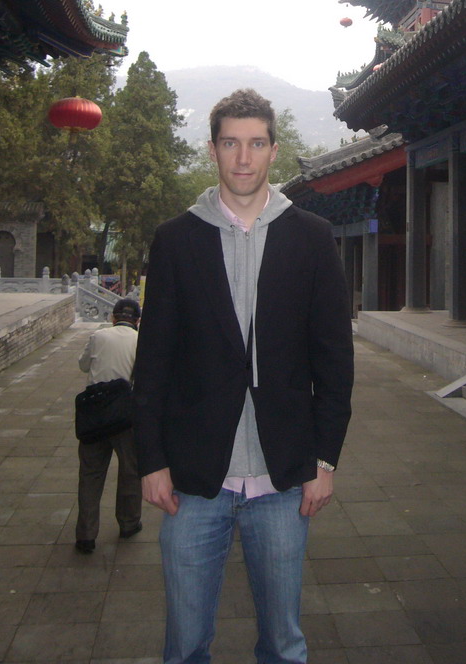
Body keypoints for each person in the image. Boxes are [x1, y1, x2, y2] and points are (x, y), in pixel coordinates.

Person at [134, 88, 354, 664]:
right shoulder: (177, 239)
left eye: (256, 143)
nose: (243, 158)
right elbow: (153, 360)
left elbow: (334, 360)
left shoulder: (310, 237)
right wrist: (151, 460)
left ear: (273, 151)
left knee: (283, 644)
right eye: (231, 143)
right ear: (213, 149)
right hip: (193, 477)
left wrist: (324, 460)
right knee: (184, 644)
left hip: (283, 480)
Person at [75, 297, 143, 554]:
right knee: (130, 472)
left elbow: (83, 366)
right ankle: (128, 523)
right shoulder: (139, 341)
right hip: (124, 417)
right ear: (137, 321)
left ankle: (86, 535)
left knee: (90, 475)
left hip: (94, 415)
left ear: (113, 317)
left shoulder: (98, 336)